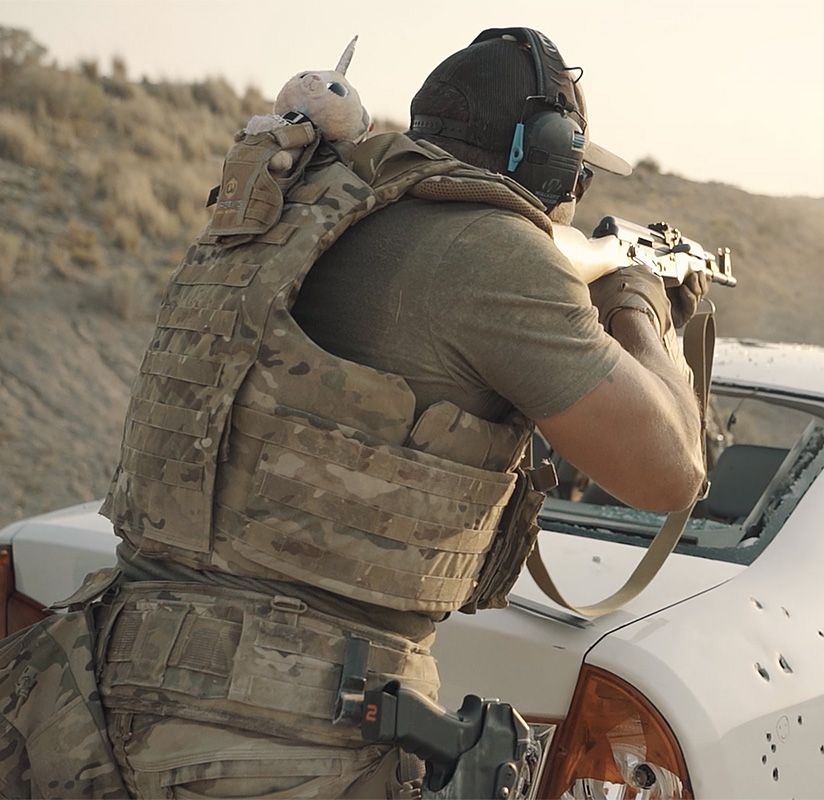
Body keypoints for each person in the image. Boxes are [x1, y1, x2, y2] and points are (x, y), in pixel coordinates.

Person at [26, 27, 706, 798]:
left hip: (90, 697)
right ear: (549, 153)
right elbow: (670, 472)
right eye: (576, 173)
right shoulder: (496, 255)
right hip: (282, 737)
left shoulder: (291, 206)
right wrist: (641, 304)